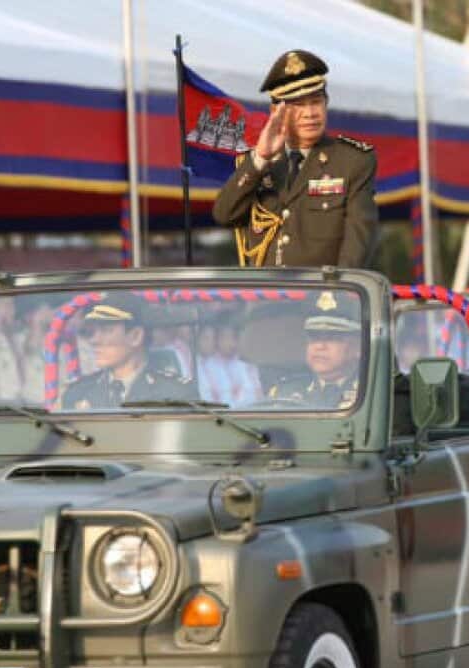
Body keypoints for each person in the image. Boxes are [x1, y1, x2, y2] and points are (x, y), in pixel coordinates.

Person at [212, 49, 378, 268]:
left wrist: (337, 295)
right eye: (298, 105)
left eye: (316, 102)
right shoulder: (255, 165)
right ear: (276, 111)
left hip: (323, 297)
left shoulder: (352, 161)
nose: (310, 113)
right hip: (266, 298)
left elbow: (358, 244)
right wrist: (260, 158)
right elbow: (224, 215)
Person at [61, 294, 198, 410]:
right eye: (94, 331)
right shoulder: (77, 393)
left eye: (106, 330)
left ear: (136, 336)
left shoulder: (176, 395)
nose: (94, 340)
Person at [267, 292, 361, 408]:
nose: (320, 346)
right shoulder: (284, 393)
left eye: (332, 338)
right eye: (314, 337)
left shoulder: (370, 391)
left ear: (357, 347)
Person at [196, 317, 263, 408]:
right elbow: (207, 401)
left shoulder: (248, 365)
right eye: (226, 337)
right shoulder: (205, 367)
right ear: (217, 339)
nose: (231, 343)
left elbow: (258, 396)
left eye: (233, 337)